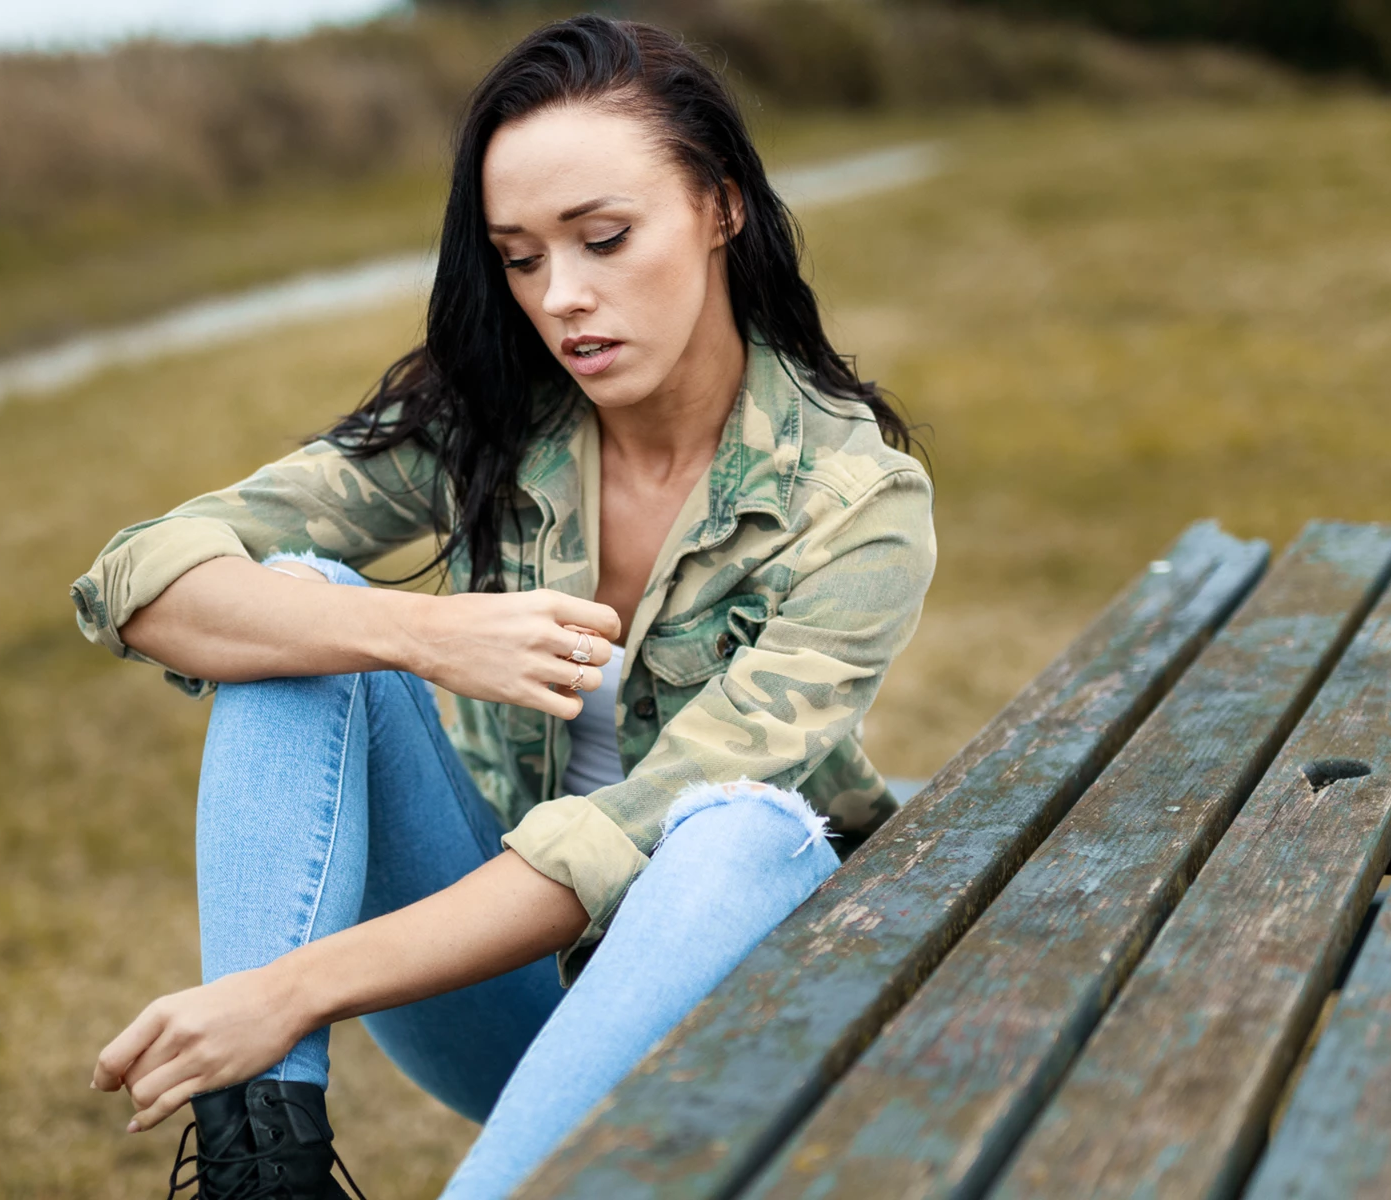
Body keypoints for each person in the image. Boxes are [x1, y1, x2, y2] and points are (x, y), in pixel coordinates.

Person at [73, 14, 935, 1199]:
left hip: (744, 1011)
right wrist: (419, 633)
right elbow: (143, 579)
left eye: (605, 238)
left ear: (722, 206)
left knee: (739, 829)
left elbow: (621, 838)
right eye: (522, 257)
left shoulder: (854, 502)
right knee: (303, 609)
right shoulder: (491, 415)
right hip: (514, 1007)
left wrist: (287, 989)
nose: (563, 297)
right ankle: (258, 1155)